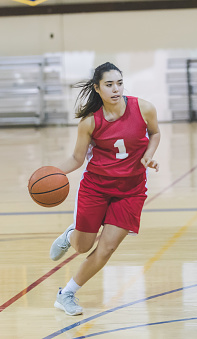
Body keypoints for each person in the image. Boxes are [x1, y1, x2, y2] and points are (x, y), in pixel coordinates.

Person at [48, 62, 160, 316]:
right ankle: (71, 236)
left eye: (119, 83)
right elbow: (77, 159)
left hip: (131, 190)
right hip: (96, 188)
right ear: (97, 88)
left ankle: (66, 294)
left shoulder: (144, 108)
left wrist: (149, 155)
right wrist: (50, 173)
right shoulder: (89, 122)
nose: (116, 89)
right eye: (109, 85)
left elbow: (155, 134)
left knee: (107, 248)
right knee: (83, 246)